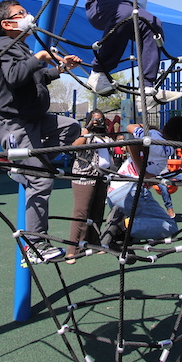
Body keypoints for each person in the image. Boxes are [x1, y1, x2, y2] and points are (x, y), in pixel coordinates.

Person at [0, 0, 83, 264]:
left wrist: (60, 68)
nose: (28, 16)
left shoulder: (21, 48)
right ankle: (35, 245)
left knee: (72, 127)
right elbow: (16, 77)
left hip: (35, 121)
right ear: (7, 24)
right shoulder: (4, 45)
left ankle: (24, 168)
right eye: (21, 14)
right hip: (12, 123)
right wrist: (39, 57)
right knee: (41, 180)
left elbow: (38, 77)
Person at [100, 117, 182, 244]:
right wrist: (143, 173)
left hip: (114, 191)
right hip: (131, 192)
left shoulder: (152, 134)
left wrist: (150, 128)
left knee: (142, 222)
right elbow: (131, 144)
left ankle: (123, 236)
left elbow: (130, 126)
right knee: (170, 228)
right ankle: (122, 225)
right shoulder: (165, 148)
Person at [65, 110, 113, 263]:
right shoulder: (85, 133)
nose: (97, 122)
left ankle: (93, 243)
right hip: (84, 177)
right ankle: (72, 249)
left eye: (100, 119)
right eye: (94, 119)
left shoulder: (105, 136)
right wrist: (87, 128)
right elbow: (74, 146)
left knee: (97, 211)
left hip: (101, 177)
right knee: (81, 212)